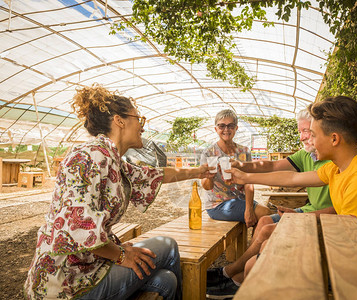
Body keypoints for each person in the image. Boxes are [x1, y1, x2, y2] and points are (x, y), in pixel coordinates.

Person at [23, 84, 214, 300]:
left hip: (89, 266)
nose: (142, 126)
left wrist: (199, 172)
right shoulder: (90, 156)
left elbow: (155, 175)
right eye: (139, 119)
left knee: (165, 281)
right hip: (66, 282)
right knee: (168, 246)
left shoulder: (112, 160)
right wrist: (121, 254)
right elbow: (76, 227)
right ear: (119, 120)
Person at [229, 96, 357, 294]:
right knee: (265, 250)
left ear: (334, 139)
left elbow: (350, 243)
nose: (309, 140)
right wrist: (245, 176)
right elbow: (292, 179)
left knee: (264, 255)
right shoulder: (338, 168)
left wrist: (297, 226)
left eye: (314, 135)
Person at [206, 110, 334, 299]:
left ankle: (232, 275)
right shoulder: (308, 155)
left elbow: (293, 178)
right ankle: (235, 278)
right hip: (310, 210)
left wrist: (245, 176)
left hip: (322, 218)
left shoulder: (332, 161)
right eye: (301, 132)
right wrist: (241, 167)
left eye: (308, 131)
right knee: (265, 219)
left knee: (265, 230)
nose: (303, 137)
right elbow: (273, 166)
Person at [200, 109, 271, 227]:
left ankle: (254, 244)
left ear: (236, 128)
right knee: (265, 213)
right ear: (216, 129)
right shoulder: (208, 153)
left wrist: (248, 209)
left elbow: (249, 182)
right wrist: (209, 176)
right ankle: (256, 245)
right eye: (222, 126)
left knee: (264, 215)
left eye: (230, 126)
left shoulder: (244, 152)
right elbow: (207, 187)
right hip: (217, 205)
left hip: (239, 200)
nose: (226, 130)